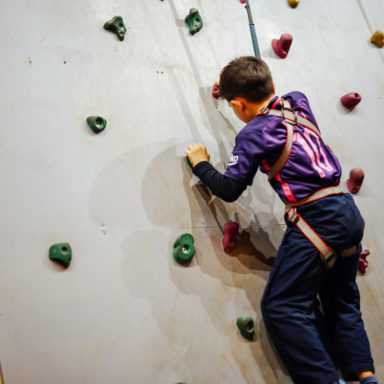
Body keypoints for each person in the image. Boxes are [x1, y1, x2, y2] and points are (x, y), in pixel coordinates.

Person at [185, 56, 377, 384]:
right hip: (346, 212)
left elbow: (230, 188)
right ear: (272, 86)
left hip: (317, 220)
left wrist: (201, 164)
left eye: (234, 108)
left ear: (237, 104)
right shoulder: (298, 101)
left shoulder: (253, 134)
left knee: (283, 306)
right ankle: (366, 376)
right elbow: (272, 103)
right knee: (342, 300)